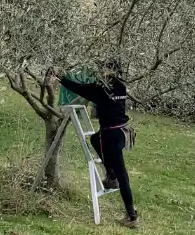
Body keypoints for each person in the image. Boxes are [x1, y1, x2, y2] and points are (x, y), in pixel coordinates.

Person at [57, 59, 139, 229]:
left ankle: (131, 216)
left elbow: (80, 89)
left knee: (122, 174)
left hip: (110, 134)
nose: (101, 72)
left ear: (109, 70)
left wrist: (61, 78)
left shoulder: (101, 89)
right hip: (121, 132)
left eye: (104, 69)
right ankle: (110, 174)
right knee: (95, 139)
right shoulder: (121, 86)